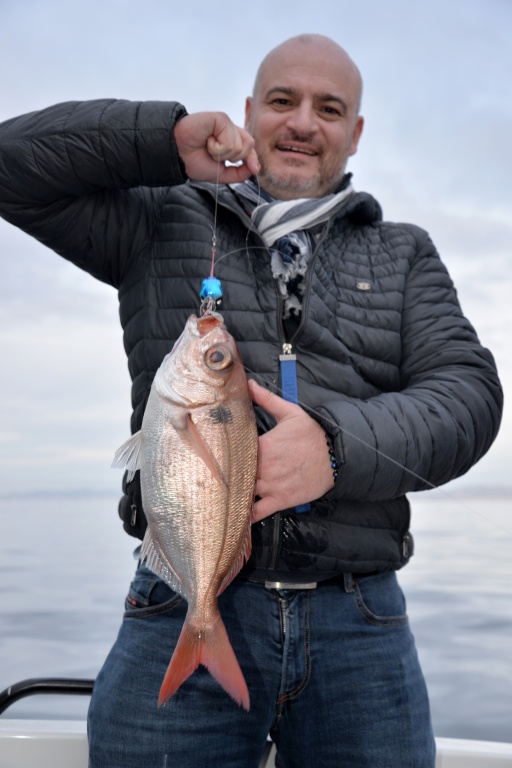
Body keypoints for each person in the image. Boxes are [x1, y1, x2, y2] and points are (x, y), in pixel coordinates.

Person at [0, 34, 503, 768]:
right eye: (282, 100)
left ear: (355, 131)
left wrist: (335, 448)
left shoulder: (404, 252)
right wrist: (160, 141)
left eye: (329, 108)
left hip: (357, 616)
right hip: (177, 602)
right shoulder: (162, 218)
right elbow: (14, 168)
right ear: (249, 112)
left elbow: (469, 396)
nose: (303, 121)